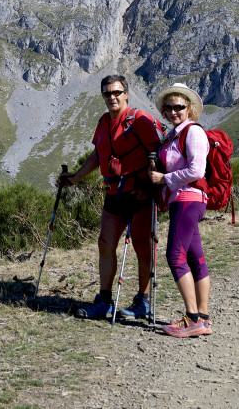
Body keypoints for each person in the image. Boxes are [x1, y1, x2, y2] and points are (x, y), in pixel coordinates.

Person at [58, 74, 163, 320]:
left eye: (116, 92)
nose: (112, 97)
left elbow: (157, 153)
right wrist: (75, 179)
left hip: (139, 195)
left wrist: (150, 183)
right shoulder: (104, 122)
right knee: (105, 244)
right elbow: (98, 155)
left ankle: (142, 302)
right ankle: (104, 300)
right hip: (113, 193)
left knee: (142, 248)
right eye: (107, 93)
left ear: (127, 93)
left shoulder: (140, 120)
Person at [148, 82, 212, 337]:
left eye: (179, 107)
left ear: (190, 108)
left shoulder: (193, 133)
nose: (174, 111)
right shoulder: (174, 135)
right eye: (169, 107)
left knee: (175, 257)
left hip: (187, 199)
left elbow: (197, 171)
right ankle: (203, 318)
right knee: (196, 258)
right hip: (183, 200)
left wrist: (164, 179)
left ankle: (192, 318)